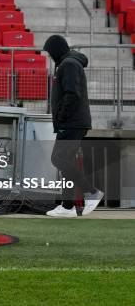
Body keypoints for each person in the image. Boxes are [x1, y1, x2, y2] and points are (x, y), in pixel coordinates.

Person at [42, 35, 104, 217]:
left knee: (58, 159)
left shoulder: (68, 64)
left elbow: (72, 94)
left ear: (56, 50)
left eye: (50, 52)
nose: (49, 56)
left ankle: (92, 191)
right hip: (72, 122)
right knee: (64, 161)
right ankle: (68, 206)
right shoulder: (68, 63)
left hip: (71, 122)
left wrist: (61, 116)